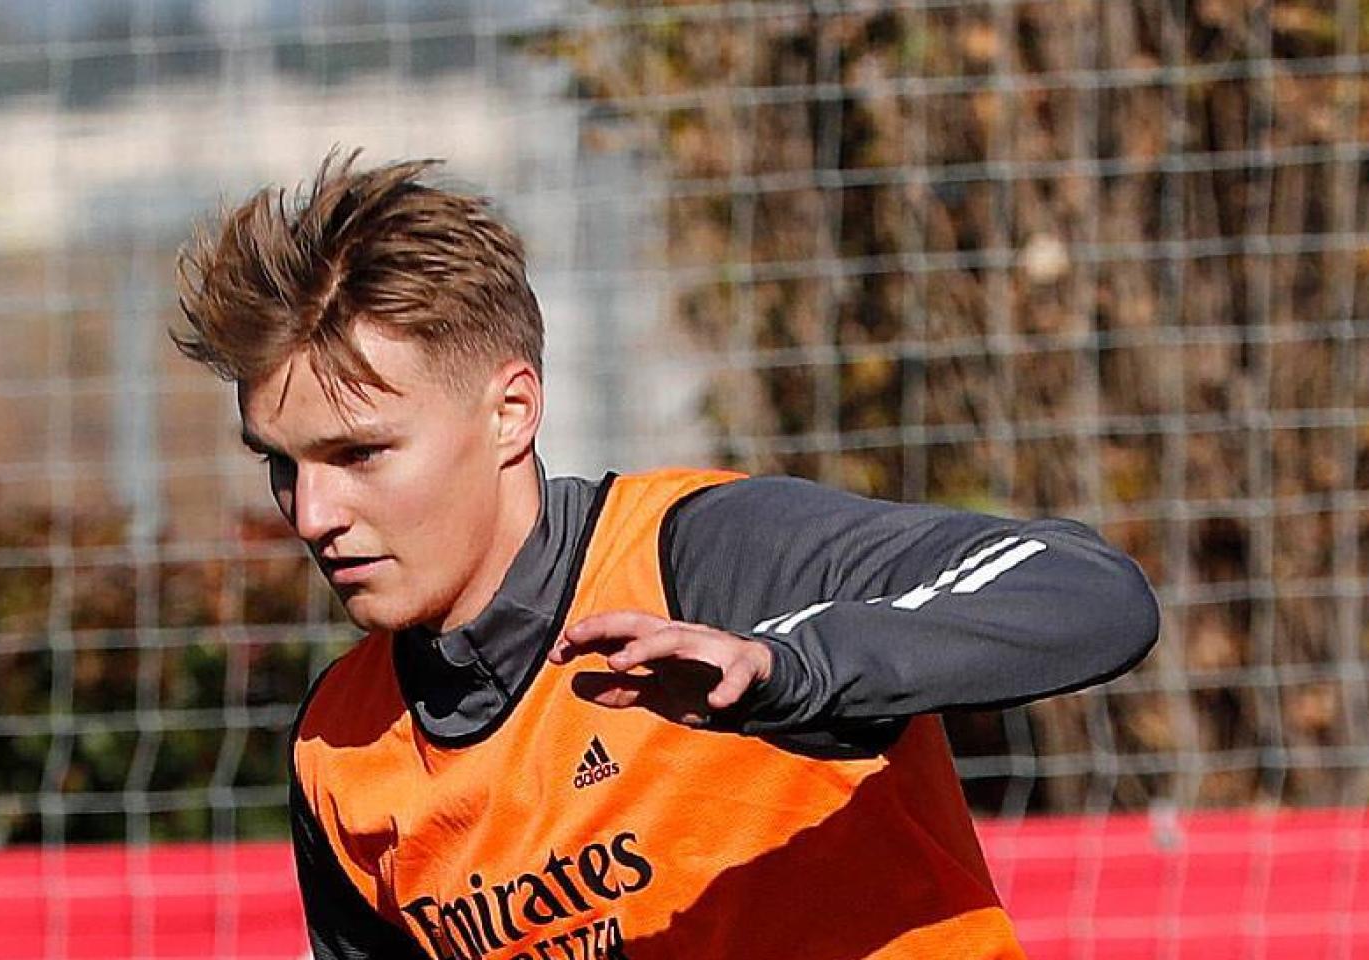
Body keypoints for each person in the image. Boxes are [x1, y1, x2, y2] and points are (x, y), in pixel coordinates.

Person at [172, 150, 1159, 960]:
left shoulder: (707, 556)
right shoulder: (339, 749)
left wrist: (787, 671)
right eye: (281, 466)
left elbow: (1087, 590)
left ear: (510, 411)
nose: (310, 514)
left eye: (359, 454)